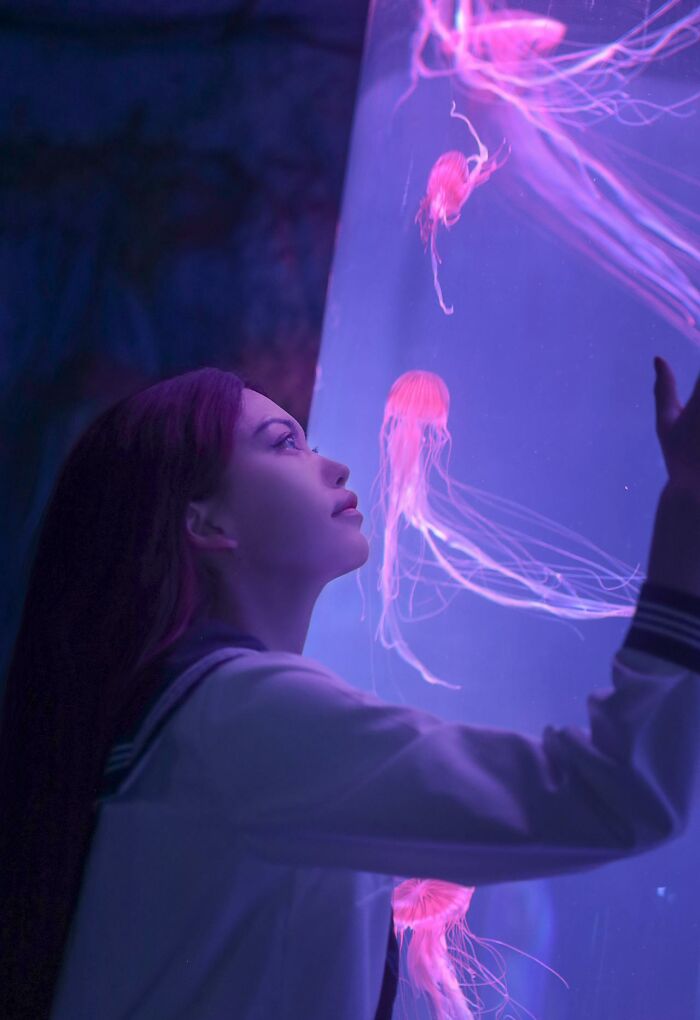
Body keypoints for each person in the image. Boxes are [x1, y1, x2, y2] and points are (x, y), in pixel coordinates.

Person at [1, 357, 699, 1020]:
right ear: (206, 522)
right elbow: (614, 793)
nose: (332, 463)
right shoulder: (239, 721)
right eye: (284, 445)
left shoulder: (189, 721)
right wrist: (686, 520)